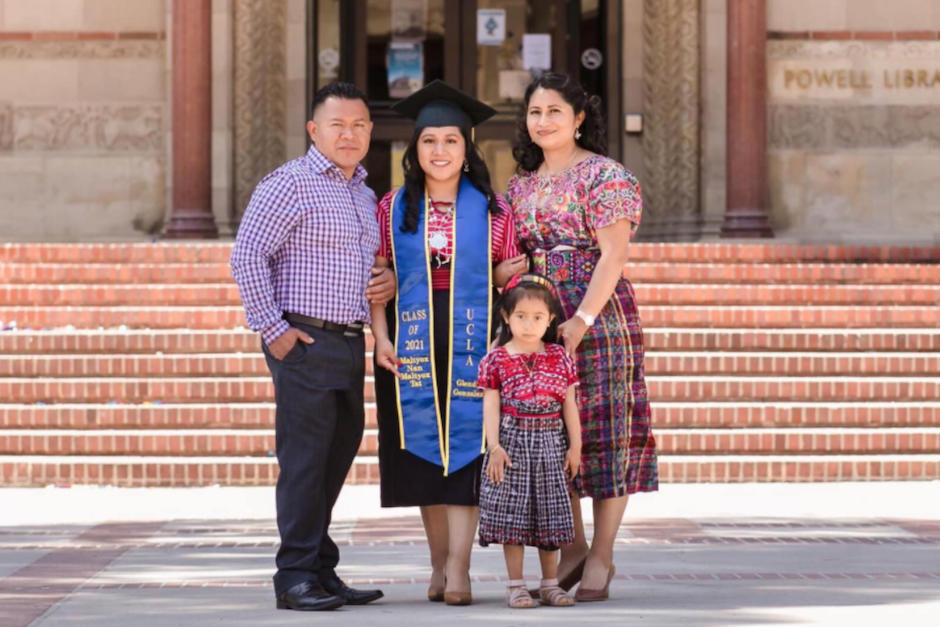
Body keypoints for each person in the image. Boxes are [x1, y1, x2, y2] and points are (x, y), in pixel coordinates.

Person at [230, 82, 395, 612]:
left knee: (334, 458)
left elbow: (369, 268)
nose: (348, 135)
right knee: (304, 463)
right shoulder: (291, 183)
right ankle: (295, 577)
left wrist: (386, 281)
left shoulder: (364, 194)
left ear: (370, 130)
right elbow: (248, 255)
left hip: (348, 342)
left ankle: (321, 570)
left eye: (359, 125)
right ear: (313, 130)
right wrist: (272, 329)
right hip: (302, 339)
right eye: (337, 125)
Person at [370, 80, 527, 606]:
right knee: (421, 452)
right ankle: (437, 564)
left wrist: (505, 275)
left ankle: (459, 568)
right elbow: (378, 276)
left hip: (475, 335)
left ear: (467, 149)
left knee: (468, 449)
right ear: (415, 150)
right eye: (429, 141)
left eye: (451, 141)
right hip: (409, 337)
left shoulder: (494, 209)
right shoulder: (390, 208)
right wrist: (380, 336)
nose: (440, 151)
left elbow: (513, 280)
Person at [505, 72, 659, 602]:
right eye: (534, 112)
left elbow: (614, 255)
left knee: (607, 428)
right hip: (537, 317)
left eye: (554, 111)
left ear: (578, 118)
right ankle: (570, 545)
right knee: (553, 429)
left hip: (598, 314)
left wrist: (583, 319)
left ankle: (603, 554)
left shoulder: (604, 176)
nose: (543, 121)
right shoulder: (519, 184)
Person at [477, 273, 581, 609]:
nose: (528, 324)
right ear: (506, 317)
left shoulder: (560, 356)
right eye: (520, 316)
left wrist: (575, 446)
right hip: (512, 441)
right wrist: (494, 446)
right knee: (513, 515)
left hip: (551, 440)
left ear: (551, 319)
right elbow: (491, 404)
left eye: (538, 317)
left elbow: (569, 405)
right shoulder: (495, 359)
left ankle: (550, 584)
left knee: (550, 513)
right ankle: (516, 585)